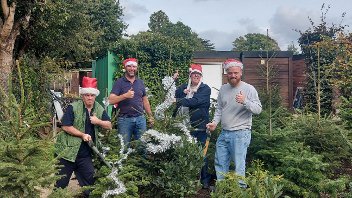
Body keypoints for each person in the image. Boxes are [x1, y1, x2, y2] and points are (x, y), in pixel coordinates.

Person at [206, 59, 262, 187]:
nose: (233, 75)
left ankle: (240, 191)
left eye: (235, 73)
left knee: (239, 165)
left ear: (241, 72)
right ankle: (222, 188)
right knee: (220, 162)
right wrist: (215, 122)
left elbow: (258, 109)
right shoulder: (223, 89)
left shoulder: (249, 89)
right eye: (230, 73)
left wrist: (245, 101)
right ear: (226, 73)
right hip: (224, 132)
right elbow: (219, 109)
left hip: (241, 134)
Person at [54, 76, 112, 197]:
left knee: (90, 185)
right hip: (67, 153)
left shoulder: (99, 108)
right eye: (87, 95)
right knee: (60, 185)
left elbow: (109, 125)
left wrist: (98, 121)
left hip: (85, 155)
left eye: (92, 95)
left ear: (95, 95)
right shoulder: (73, 107)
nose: (90, 97)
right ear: (83, 96)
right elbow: (65, 126)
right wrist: (82, 134)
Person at [173, 64, 212, 189]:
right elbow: (174, 93)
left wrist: (179, 100)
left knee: (201, 154)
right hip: (182, 127)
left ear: (201, 76)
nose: (196, 76)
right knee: (183, 153)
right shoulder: (184, 87)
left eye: (198, 74)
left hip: (199, 127)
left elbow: (195, 102)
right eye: (194, 74)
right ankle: (187, 179)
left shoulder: (205, 89)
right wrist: (174, 81)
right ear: (190, 75)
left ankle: (204, 180)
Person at [108, 58, 154, 146]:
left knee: (142, 146)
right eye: (129, 66)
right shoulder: (119, 82)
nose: (132, 68)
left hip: (141, 119)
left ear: (136, 68)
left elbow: (145, 100)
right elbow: (110, 100)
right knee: (124, 147)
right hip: (124, 120)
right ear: (125, 68)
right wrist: (125, 95)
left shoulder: (140, 82)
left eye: (134, 66)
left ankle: (141, 159)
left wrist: (150, 116)